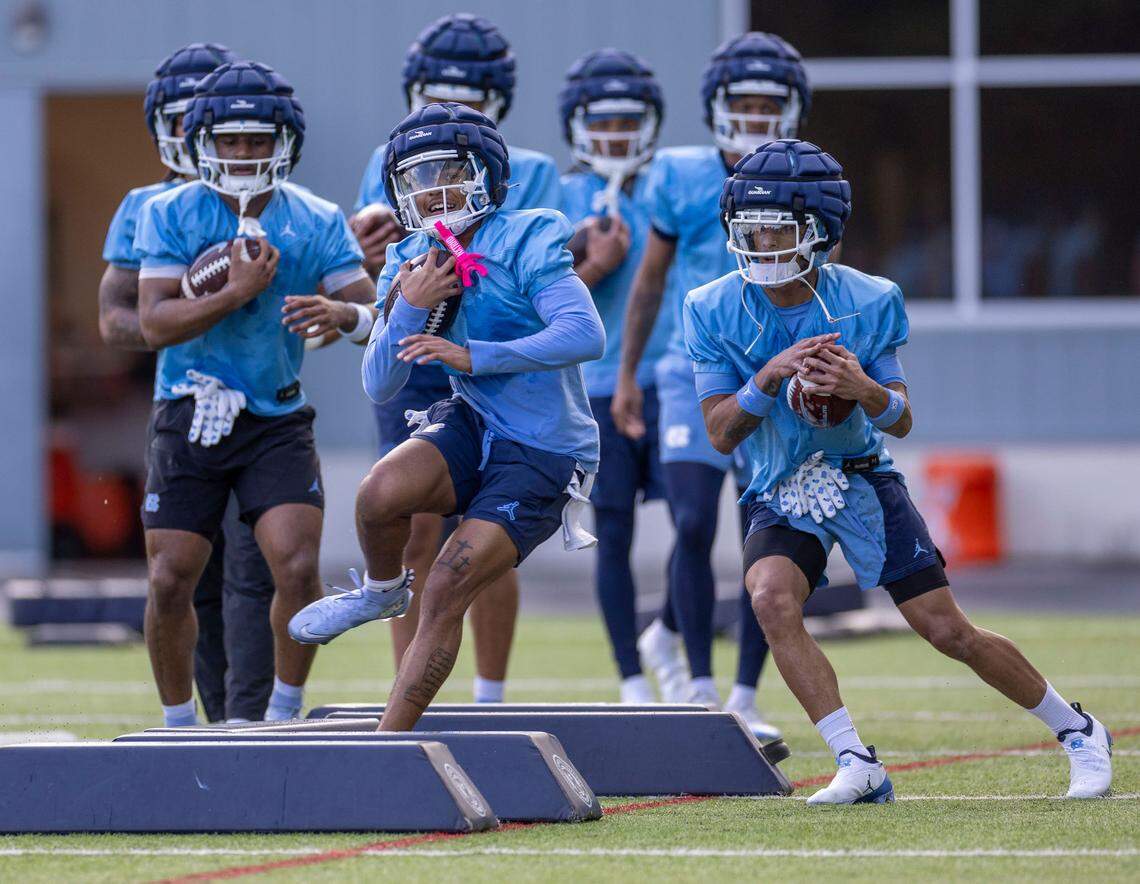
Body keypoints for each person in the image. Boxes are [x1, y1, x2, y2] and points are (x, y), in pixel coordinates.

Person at [684, 137, 1114, 803]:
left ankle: (1078, 729)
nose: (761, 240)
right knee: (770, 597)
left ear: (818, 231)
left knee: (948, 631)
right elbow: (719, 432)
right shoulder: (710, 306)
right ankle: (857, 762)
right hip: (782, 485)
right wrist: (768, 375)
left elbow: (902, 419)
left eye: (775, 226)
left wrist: (860, 386)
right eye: (750, 228)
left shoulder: (869, 299)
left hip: (860, 476)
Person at [288, 103, 604, 731]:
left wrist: (472, 355)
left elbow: (584, 333)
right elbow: (380, 384)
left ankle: (387, 745)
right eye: (415, 178)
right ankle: (381, 590)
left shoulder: (528, 233)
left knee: (446, 588)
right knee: (379, 493)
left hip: (546, 446)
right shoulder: (408, 257)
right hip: (474, 421)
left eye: (447, 172)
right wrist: (406, 308)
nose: (432, 191)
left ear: (486, 173)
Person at [133, 61, 376, 726]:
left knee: (296, 568)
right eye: (230, 140)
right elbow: (151, 322)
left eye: (257, 139)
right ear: (202, 142)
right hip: (189, 410)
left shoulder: (317, 218)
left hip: (276, 414)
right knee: (169, 578)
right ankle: (178, 723)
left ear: (285, 142)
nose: (243, 153)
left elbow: (372, 310)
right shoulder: (169, 211)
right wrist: (236, 293)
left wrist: (343, 315)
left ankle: (280, 713)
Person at [350, 13, 562, 704]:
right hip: (421, 359)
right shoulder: (391, 160)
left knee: (487, 538)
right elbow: (380, 280)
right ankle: (405, 687)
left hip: (498, 365)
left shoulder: (528, 172)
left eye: (470, 89)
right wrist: (371, 246)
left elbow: (563, 278)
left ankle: (489, 693)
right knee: (414, 531)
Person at [613, 33, 808, 735]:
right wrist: (629, 371)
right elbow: (651, 277)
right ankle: (698, 685)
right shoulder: (679, 174)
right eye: (743, 102)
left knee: (765, 533)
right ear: (717, 106)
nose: (755, 116)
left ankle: (745, 694)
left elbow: (826, 286)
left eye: (768, 103)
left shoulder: (807, 178)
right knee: (692, 521)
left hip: (776, 377)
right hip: (689, 367)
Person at [99, 42, 276, 723]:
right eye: (181, 119)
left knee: (254, 569)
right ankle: (211, 720)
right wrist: (184, 311)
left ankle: (254, 719)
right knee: (188, 577)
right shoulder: (148, 207)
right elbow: (115, 320)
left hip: (266, 409)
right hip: (185, 409)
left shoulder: (273, 198)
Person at [557, 49, 670, 703]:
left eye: (629, 122)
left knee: (696, 518)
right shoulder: (558, 194)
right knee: (614, 532)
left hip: (673, 375)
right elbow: (531, 294)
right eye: (603, 122)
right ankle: (631, 675)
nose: (616, 136)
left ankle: (671, 638)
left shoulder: (667, 186)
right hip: (594, 387)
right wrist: (586, 253)